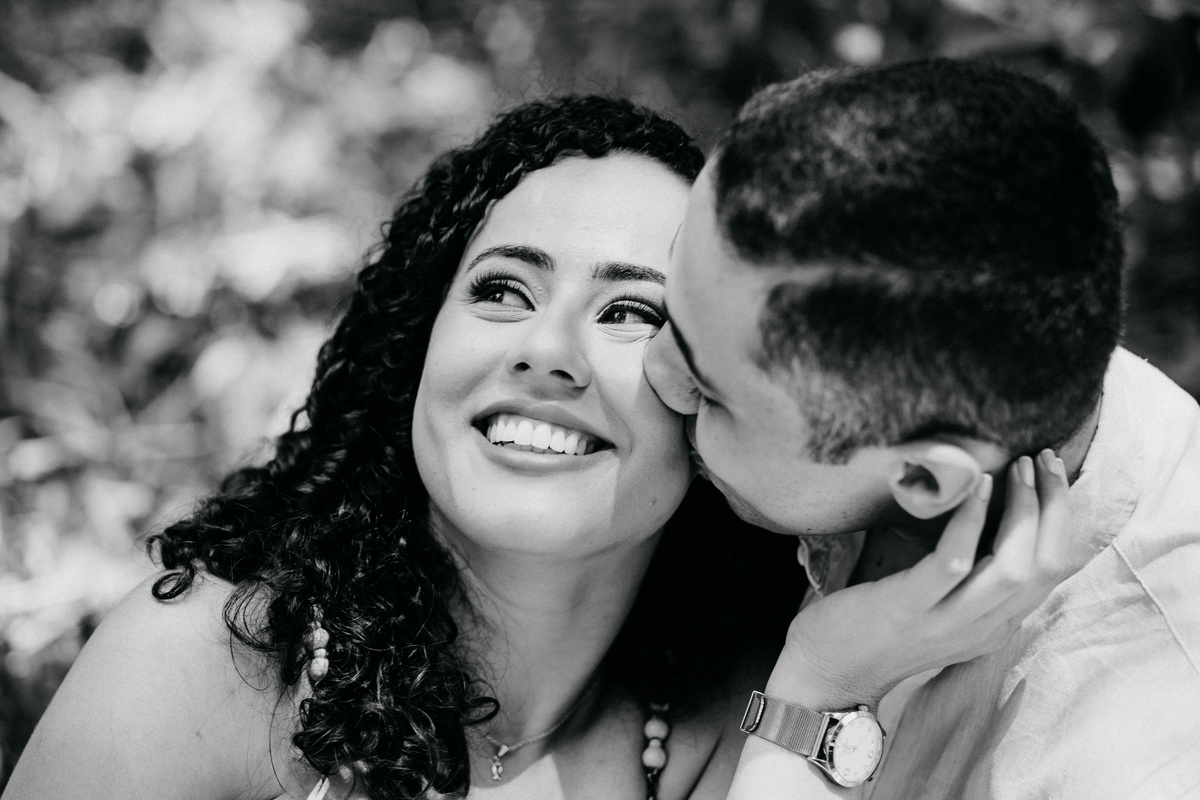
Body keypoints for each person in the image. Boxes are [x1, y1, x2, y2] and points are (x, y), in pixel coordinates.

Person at [4, 95, 1066, 800]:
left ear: (710, 395)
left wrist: (819, 686)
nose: (546, 351)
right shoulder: (215, 665)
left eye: (630, 313)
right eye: (503, 290)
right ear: (416, 348)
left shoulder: (728, 723)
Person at [645, 58, 1200, 799]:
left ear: (923, 479)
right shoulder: (947, 358)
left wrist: (820, 692)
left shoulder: (1130, 763)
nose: (655, 370)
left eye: (711, 393)